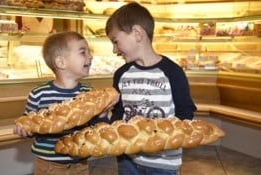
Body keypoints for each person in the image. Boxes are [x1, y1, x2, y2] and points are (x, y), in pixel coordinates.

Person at [105, 2, 197, 175]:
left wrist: (162, 139)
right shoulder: (121, 74)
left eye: (116, 41)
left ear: (137, 34)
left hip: (163, 163)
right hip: (127, 159)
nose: (114, 49)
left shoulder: (173, 72)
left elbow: (185, 112)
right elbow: (119, 112)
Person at [13, 31, 113, 175]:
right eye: (83, 52)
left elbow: (98, 129)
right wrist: (23, 131)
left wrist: (102, 115)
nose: (90, 56)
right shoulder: (39, 94)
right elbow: (30, 125)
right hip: (48, 166)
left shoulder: (90, 94)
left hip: (80, 164)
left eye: (89, 52)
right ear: (61, 62)